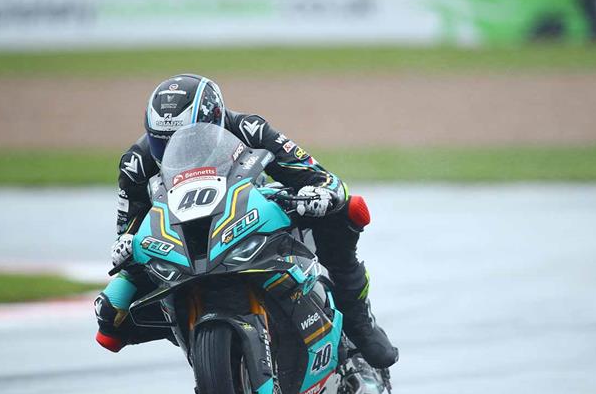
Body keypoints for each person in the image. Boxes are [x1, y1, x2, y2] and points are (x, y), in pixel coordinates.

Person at [94, 74, 398, 369]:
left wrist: (321, 195)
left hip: (250, 222)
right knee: (109, 319)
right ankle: (201, 346)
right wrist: (125, 247)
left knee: (345, 212)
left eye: (186, 136)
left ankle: (358, 320)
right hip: (180, 241)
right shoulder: (137, 162)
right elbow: (129, 229)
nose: (175, 147)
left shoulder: (250, 128)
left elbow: (321, 177)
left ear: (215, 120)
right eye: (163, 141)